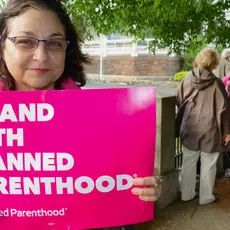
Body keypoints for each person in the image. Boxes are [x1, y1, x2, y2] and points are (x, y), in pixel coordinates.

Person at [0, 0, 162, 211]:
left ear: (66, 51)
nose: (41, 56)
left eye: (54, 43)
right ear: (3, 46)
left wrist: (147, 185)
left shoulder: (97, 119)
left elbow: (119, 182)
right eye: (25, 41)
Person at [176, 47, 230, 205]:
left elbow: (179, 101)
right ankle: (205, 197)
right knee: (209, 164)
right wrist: (227, 132)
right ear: (214, 64)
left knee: (188, 162)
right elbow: (224, 110)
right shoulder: (216, 83)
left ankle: (186, 194)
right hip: (210, 129)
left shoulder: (186, 78)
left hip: (190, 127)